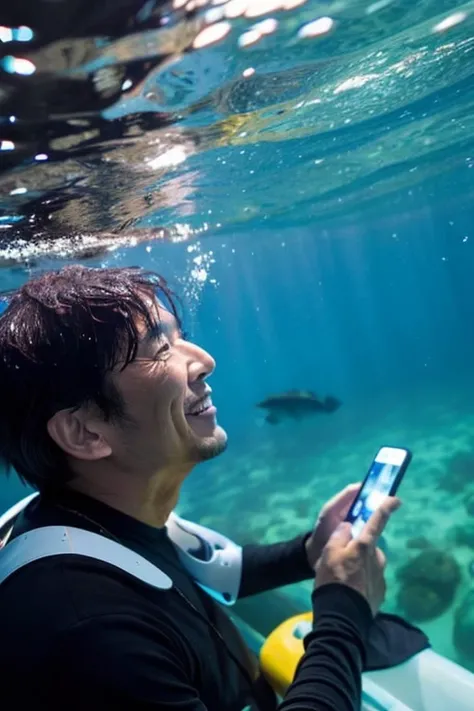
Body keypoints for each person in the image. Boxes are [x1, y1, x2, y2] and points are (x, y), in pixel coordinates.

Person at [0, 265, 415, 711]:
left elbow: (212, 567)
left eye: (180, 336)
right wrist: (343, 609)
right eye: (160, 347)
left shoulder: (93, 516)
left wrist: (311, 552)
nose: (203, 361)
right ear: (85, 434)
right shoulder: (87, 631)